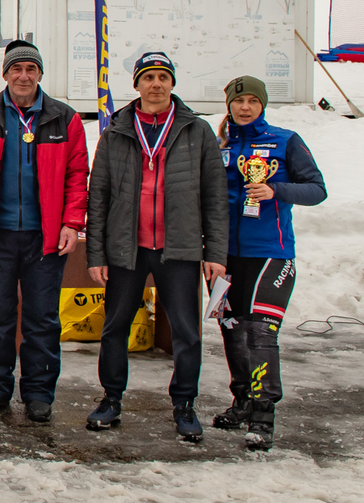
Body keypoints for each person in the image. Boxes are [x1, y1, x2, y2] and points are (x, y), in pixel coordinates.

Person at [85, 51, 229, 442]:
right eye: (148, 77)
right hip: (126, 249)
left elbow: (215, 196)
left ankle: (184, 404)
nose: (156, 84)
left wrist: (215, 253)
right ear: (136, 84)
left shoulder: (196, 131)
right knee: (114, 328)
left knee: (187, 332)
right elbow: (98, 196)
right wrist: (96, 254)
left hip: (179, 249)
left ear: (172, 83)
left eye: (163, 77)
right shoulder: (116, 130)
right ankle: (111, 398)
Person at [0, 39, 89, 424]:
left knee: (42, 317)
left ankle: (37, 393)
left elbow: (77, 175)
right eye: (17, 69)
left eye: (31, 69)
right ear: (5, 74)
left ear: (40, 75)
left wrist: (71, 223)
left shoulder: (64, 118)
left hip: (44, 236)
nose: (24, 76)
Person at [212, 75, 326, 450]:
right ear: (228, 104)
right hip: (225, 255)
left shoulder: (285, 140)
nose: (245, 107)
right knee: (230, 327)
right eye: (238, 101)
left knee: (261, 331)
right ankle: (242, 399)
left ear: (262, 105)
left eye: (252, 101)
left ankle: (263, 415)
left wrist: (275, 189)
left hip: (271, 254)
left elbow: (317, 189)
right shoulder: (219, 144)